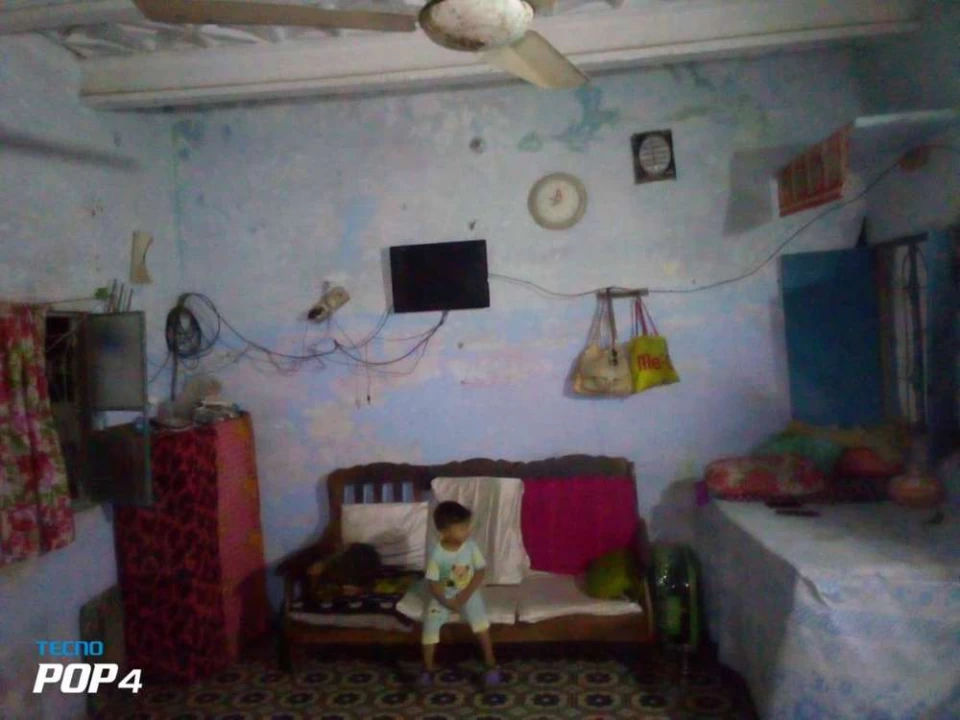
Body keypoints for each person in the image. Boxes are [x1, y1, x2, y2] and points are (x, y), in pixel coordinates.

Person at [419, 501, 501, 687]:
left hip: (468, 592)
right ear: (444, 532)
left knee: (481, 624)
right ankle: (427, 668)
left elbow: (480, 572)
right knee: (429, 627)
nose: (467, 531)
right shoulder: (436, 553)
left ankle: (490, 663)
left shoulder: (470, 547)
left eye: (467, 527)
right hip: (443, 596)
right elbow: (434, 583)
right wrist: (445, 601)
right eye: (462, 528)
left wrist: (465, 595)